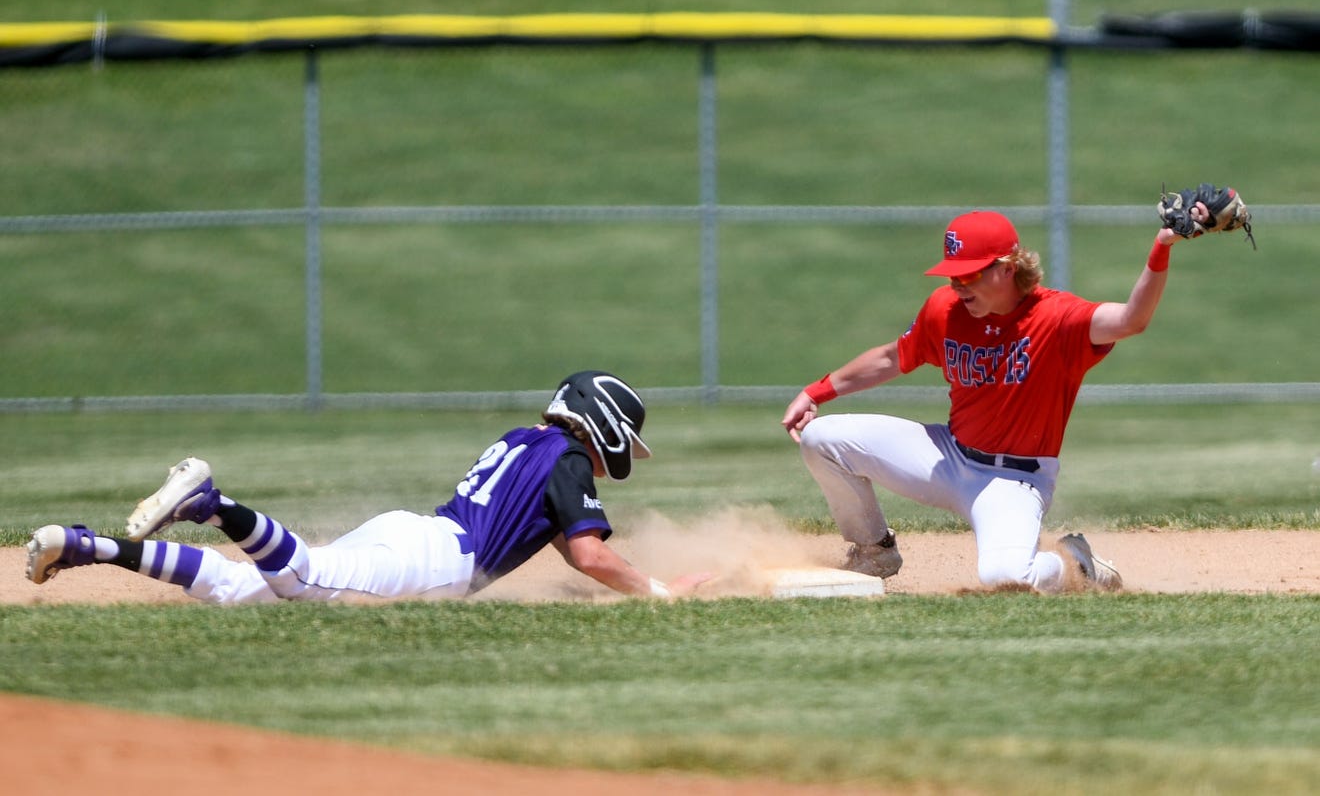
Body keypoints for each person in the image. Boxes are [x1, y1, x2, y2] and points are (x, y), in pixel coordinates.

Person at [781, 209, 1205, 593]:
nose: (957, 286)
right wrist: (816, 391)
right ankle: (874, 551)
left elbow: (1133, 319)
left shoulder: (1056, 319)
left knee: (1006, 578)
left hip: (1013, 480)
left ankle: (1075, 565)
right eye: (952, 276)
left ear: (1007, 268)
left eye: (969, 275)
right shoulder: (946, 310)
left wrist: (1161, 247)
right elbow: (894, 356)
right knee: (822, 438)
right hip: (949, 455)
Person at [26, 370, 713, 603]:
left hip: (411, 531)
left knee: (244, 593)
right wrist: (655, 593)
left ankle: (89, 547)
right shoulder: (565, 458)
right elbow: (590, 554)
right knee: (305, 578)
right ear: (602, 426)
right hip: (436, 561)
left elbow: (567, 545)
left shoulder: (523, 439)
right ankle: (213, 505)